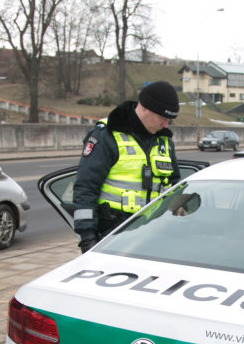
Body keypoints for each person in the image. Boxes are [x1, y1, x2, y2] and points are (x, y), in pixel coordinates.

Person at [73, 81, 181, 253]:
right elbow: (85, 189)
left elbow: (175, 186)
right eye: (163, 118)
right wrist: (87, 238)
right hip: (115, 235)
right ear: (145, 108)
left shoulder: (165, 141)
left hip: (156, 235)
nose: (166, 125)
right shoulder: (106, 136)